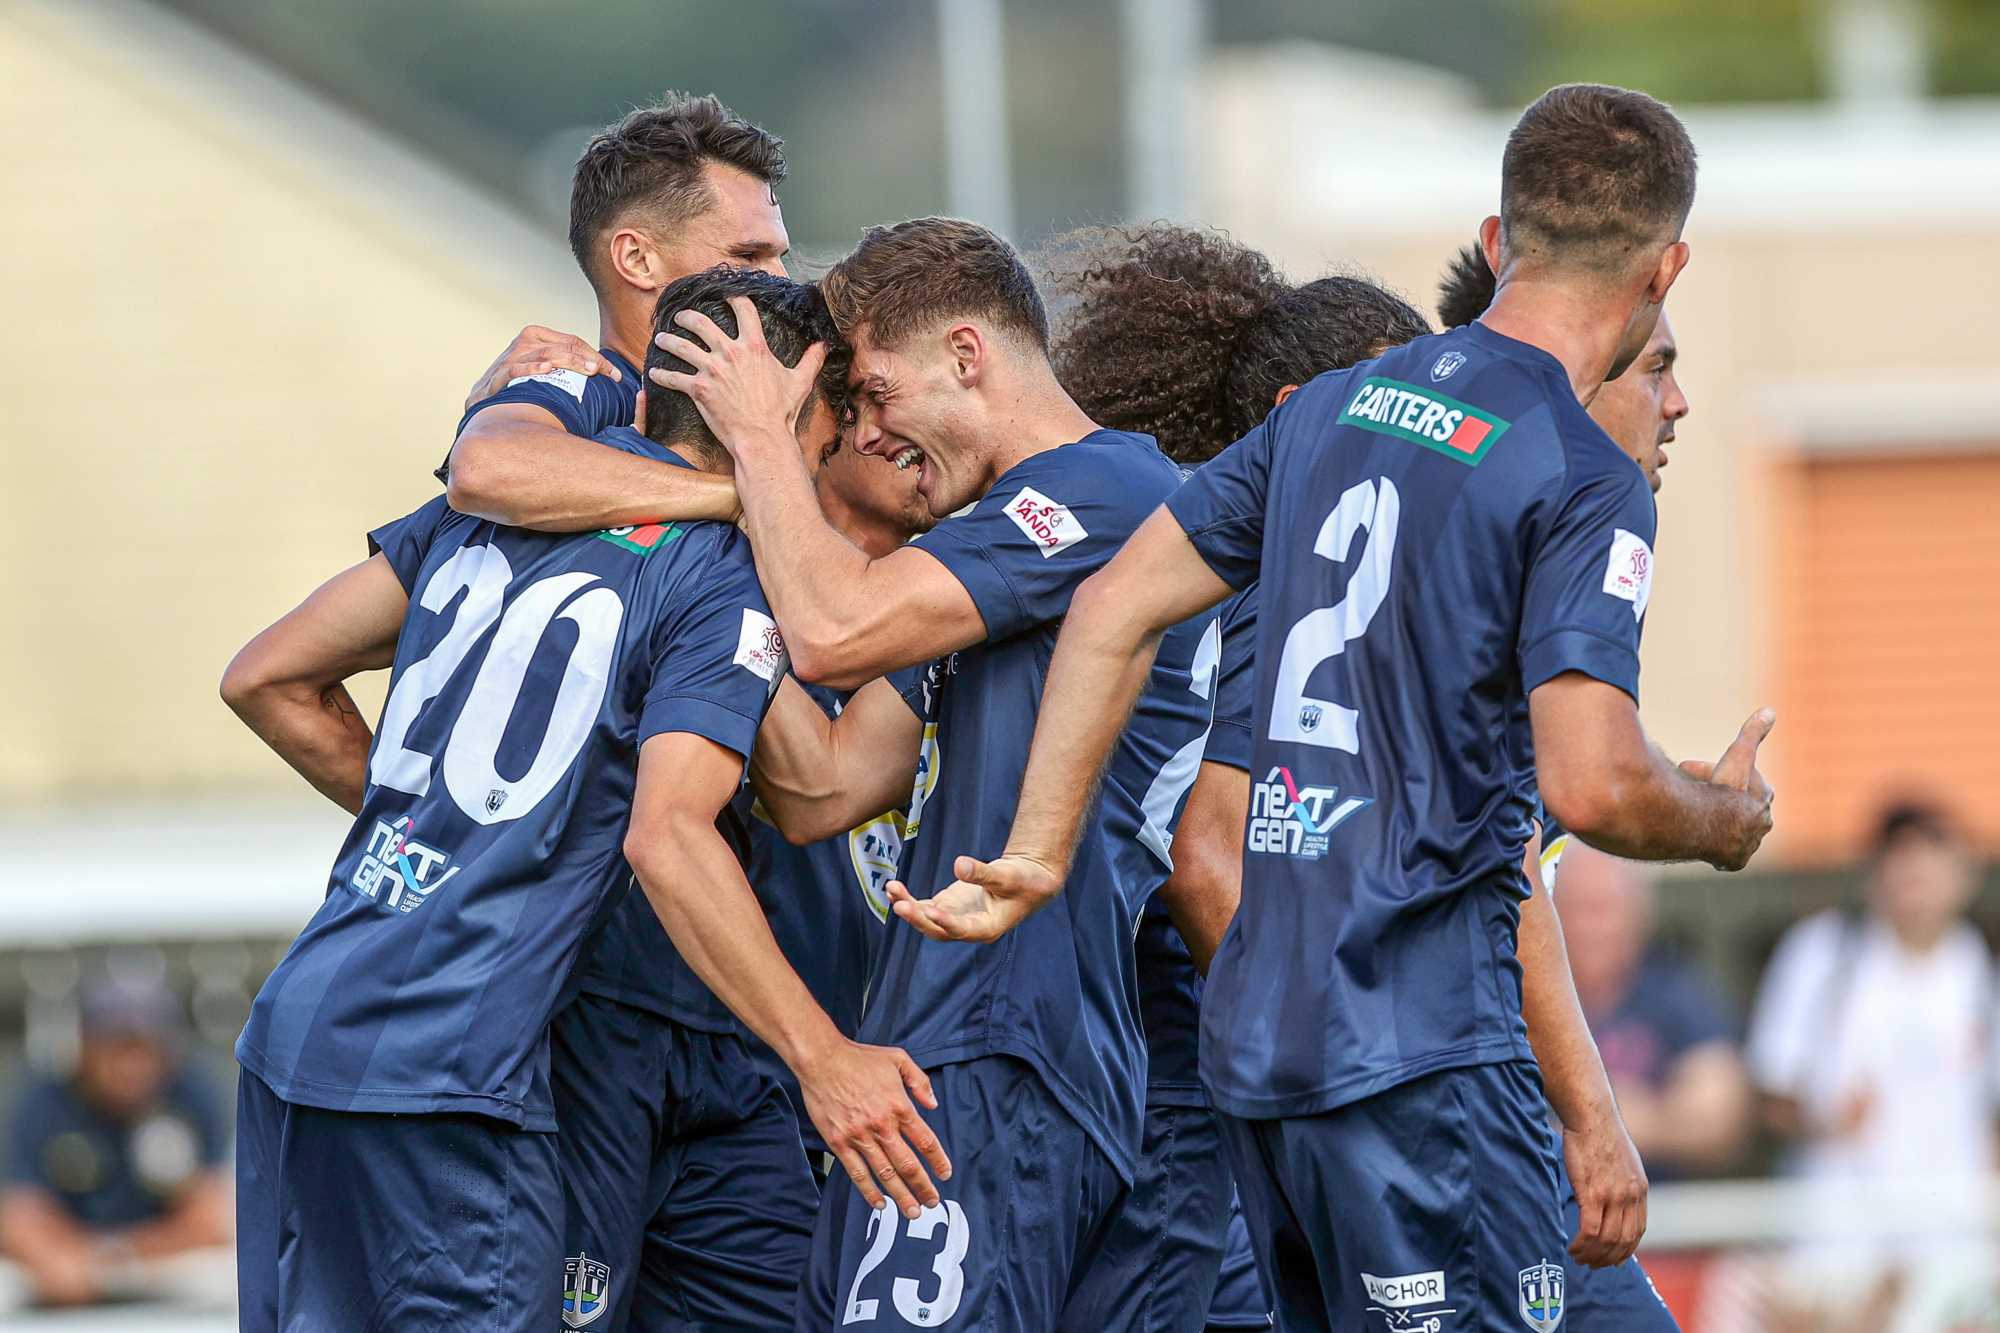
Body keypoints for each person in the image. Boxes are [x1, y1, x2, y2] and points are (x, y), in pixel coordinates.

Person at [896, 84, 1778, 1332]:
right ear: (1663, 267)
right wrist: (1718, 819)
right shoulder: (1579, 471)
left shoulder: (1328, 410)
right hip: (1428, 1055)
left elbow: (1109, 608)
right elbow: (1589, 785)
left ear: (1497, 241)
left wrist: (1035, 851)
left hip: (1265, 1064)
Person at [218, 267, 941, 1332]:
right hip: (455, 1072)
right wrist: (824, 1057)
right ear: (787, 417)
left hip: (295, 1034)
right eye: (830, 435)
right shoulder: (718, 569)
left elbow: (263, 677)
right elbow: (670, 838)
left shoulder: (479, 514)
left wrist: (456, 835)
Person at [1046, 221, 1676, 1331]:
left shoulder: (1468, 576)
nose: (1672, 401)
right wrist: (1356, 1053)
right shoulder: (1304, 584)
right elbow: (1209, 850)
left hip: (1398, 1085)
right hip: (1380, 1091)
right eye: (1656, 365)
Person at [652, 216, 1220, 1328]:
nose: (867, 435)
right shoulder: (991, 553)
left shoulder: (1101, 488)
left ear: (966, 354)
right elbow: (821, 786)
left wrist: (757, 444)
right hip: (973, 1040)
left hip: (998, 1029)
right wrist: (693, 601)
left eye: (875, 393)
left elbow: (831, 631)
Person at [442, 92, 788, 532]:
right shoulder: (584, 385)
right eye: (749, 255)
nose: (782, 280)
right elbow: (483, 469)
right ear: (637, 259)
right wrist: (746, 499)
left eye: (779, 257)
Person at [1746, 799, 1997, 1332]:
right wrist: (1824, 1120)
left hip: (1955, 1248)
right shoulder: (1822, 953)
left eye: (1931, 851)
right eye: (1898, 852)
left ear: (1964, 872)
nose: (1913, 869)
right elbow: (1769, 1096)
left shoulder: (1977, 968)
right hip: (1839, 1242)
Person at [0, 981, 230, 1308]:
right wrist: (63, 1258)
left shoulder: (191, 1093)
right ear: (85, 1048)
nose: (131, 1067)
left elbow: (213, 1218)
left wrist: (116, 1259)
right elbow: (19, 1217)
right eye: (116, 1049)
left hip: (161, 1269)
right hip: (65, 1273)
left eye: (144, 1050)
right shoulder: (46, 1099)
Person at [1556, 846, 1752, 1180]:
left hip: (1659, 1202)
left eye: (1604, 908)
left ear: (1640, 917)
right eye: (1577, 908)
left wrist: (1616, 1120)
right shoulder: (1524, 999)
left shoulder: (1673, 992)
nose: (1590, 928)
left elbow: (1721, 1116)